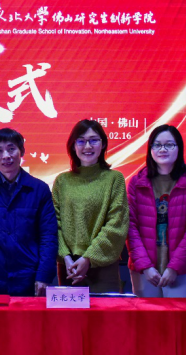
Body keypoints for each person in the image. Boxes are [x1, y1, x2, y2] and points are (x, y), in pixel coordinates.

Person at [0, 128, 57, 296]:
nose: (6, 156)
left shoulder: (40, 189)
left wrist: (44, 275)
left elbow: (48, 236)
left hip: (29, 277)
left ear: (22, 151)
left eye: (11, 149)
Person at [126, 125, 186, 297]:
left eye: (169, 145)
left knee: (180, 315)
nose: (162, 149)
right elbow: (130, 228)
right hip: (145, 273)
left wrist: (175, 267)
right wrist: (145, 266)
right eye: (157, 145)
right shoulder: (136, 183)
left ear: (179, 148)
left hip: (182, 271)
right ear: (150, 149)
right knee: (146, 315)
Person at [53, 119, 129, 293]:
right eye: (81, 141)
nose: (87, 146)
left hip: (103, 266)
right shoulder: (62, 181)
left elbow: (117, 224)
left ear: (103, 144)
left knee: (106, 312)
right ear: (73, 146)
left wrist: (88, 258)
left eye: (93, 140)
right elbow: (54, 224)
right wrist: (66, 257)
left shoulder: (115, 179)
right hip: (69, 268)